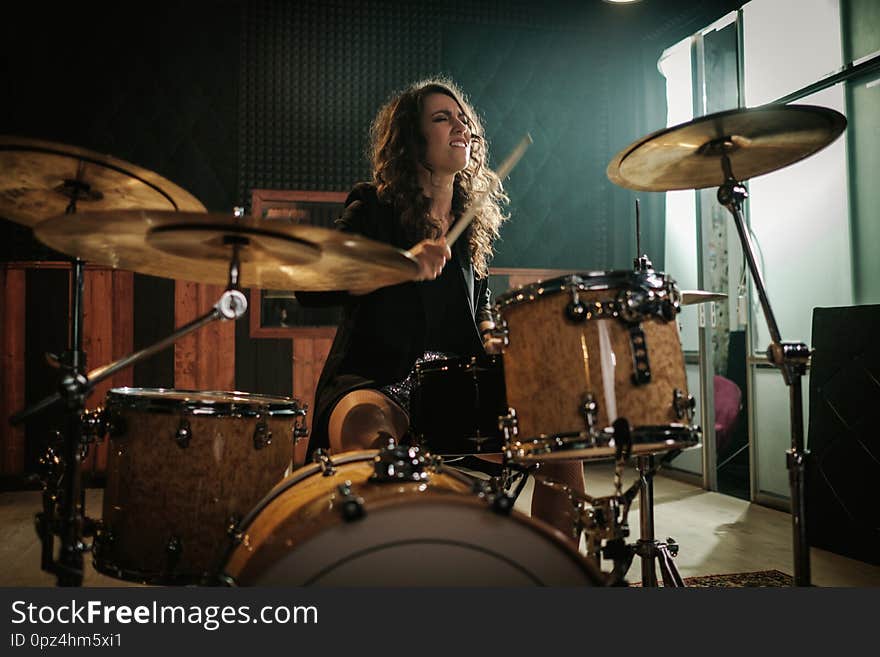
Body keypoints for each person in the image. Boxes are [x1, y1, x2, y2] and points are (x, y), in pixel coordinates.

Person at [296, 77, 584, 541]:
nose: (461, 126)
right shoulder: (373, 206)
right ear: (412, 140)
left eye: (463, 119)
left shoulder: (472, 227)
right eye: (441, 118)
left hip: (454, 392)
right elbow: (312, 287)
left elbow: (480, 304)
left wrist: (491, 331)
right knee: (369, 439)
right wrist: (400, 265)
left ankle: (554, 583)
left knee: (563, 447)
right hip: (376, 380)